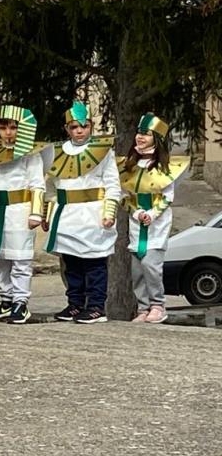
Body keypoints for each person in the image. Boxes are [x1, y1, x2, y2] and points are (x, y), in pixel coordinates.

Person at [43, 101, 122, 324]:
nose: (79, 131)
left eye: (84, 126)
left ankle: (96, 306)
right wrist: (46, 214)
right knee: (72, 263)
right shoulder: (55, 152)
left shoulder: (103, 151)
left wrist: (109, 212)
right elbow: (51, 187)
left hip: (92, 213)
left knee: (94, 263)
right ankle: (75, 304)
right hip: (66, 214)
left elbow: (112, 184)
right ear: (67, 129)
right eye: (74, 127)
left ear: (90, 127)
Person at [0, 105, 50, 324]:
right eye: (3, 127)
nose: (8, 132)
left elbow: (38, 184)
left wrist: (36, 213)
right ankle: (6, 300)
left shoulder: (31, 154)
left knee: (20, 258)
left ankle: (21, 302)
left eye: (13, 127)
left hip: (20, 210)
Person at [118, 114, 189, 323]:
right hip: (136, 222)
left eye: (146, 134)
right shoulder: (128, 166)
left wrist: (152, 213)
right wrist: (135, 212)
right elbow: (124, 196)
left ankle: (158, 304)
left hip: (156, 225)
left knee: (151, 266)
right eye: (139, 133)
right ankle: (143, 307)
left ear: (156, 138)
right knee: (137, 268)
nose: (140, 137)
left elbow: (167, 197)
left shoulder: (164, 168)